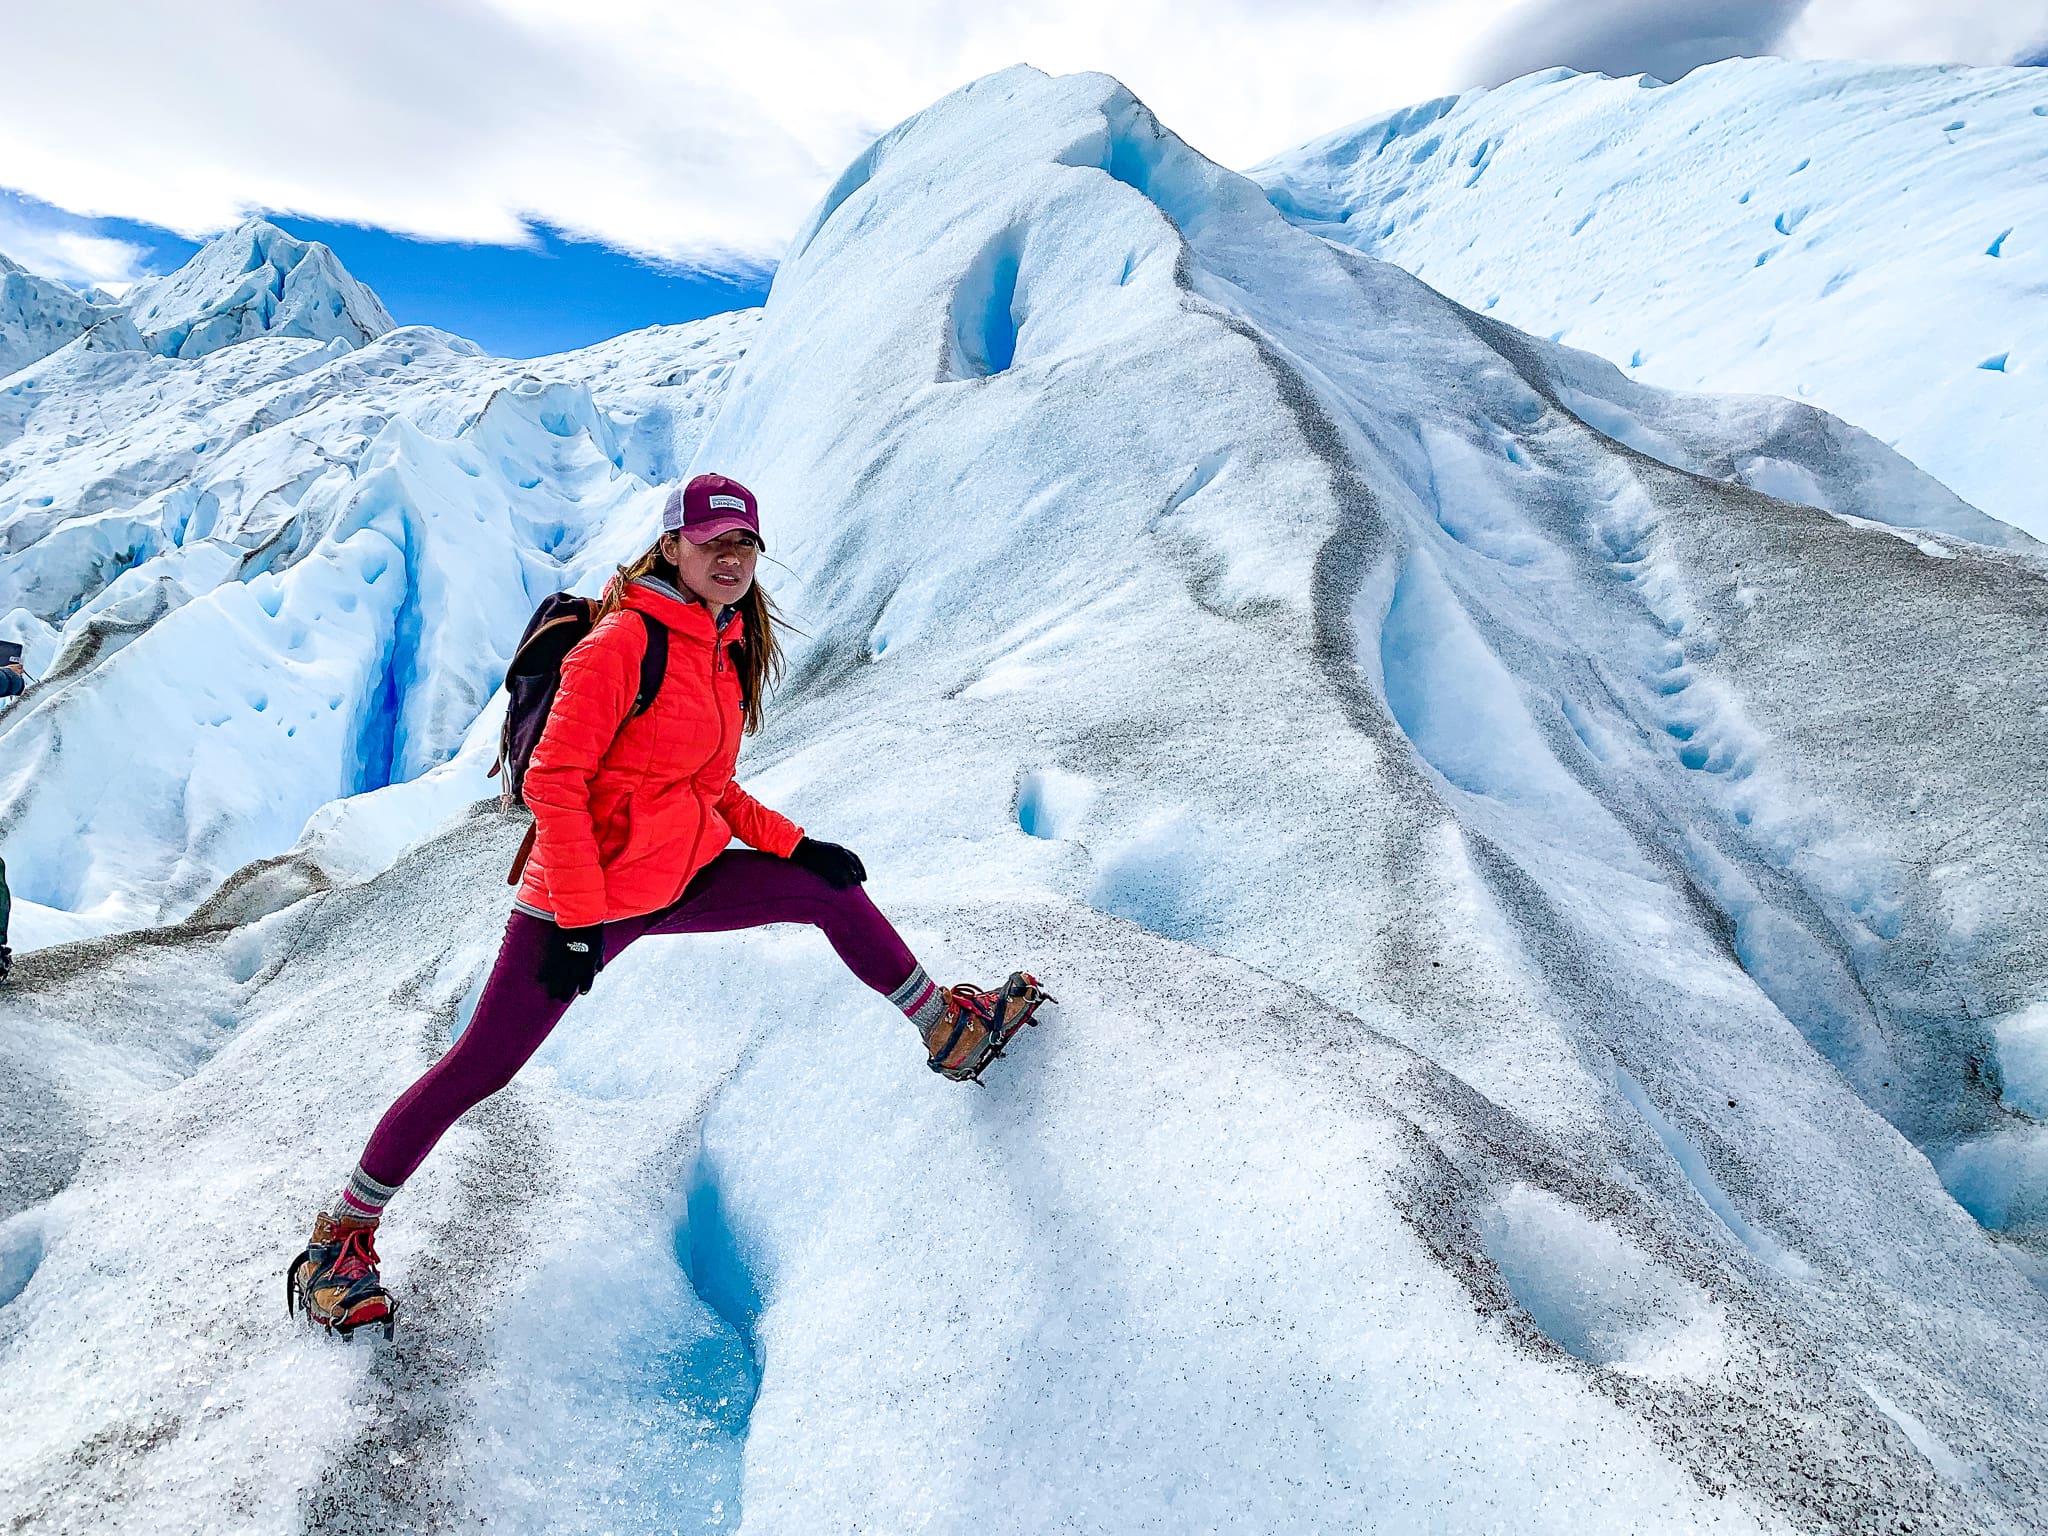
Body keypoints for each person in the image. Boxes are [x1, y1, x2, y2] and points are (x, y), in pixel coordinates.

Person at [287, 473, 1049, 1339]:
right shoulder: (624, 643)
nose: (730, 558)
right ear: (672, 546)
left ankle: (946, 1026)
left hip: (674, 878)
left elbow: (710, 786)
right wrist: (577, 922)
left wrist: (794, 845)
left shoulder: (717, 647)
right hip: (581, 904)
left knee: (826, 890)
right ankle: (339, 1239)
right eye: (713, 542)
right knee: (480, 1069)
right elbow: (553, 783)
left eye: (745, 544)